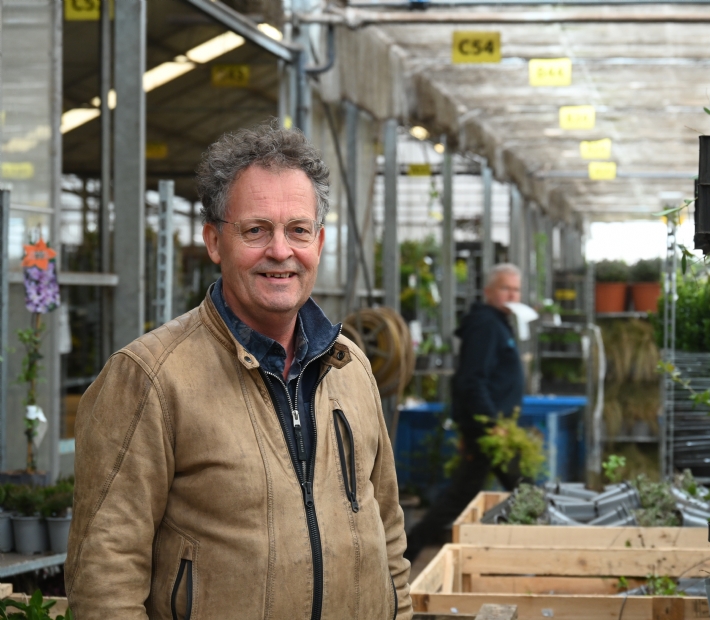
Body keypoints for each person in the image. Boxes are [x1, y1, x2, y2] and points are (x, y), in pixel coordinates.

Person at [65, 123, 412, 620]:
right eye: (256, 230)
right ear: (213, 240)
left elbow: (389, 529)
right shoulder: (150, 379)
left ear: (319, 241)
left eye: (298, 229)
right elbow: (104, 578)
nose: (280, 251)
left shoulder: (350, 366)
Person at [404, 263, 525, 562]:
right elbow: (471, 379)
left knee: (464, 492)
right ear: (488, 291)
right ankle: (544, 549)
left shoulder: (497, 322)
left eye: (516, 289)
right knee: (523, 487)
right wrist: (489, 424)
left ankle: (406, 550)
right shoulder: (486, 325)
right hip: (490, 428)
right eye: (505, 288)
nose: (512, 295)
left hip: (491, 427)